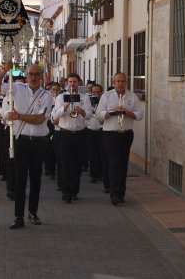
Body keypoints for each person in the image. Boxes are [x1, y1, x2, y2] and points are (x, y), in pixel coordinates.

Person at [0, 63, 53, 229]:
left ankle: (32, 212)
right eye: (31, 74)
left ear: (41, 76)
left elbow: (40, 119)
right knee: (20, 179)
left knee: (36, 179)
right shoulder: (16, 88)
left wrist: (18, 116)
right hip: (21, 140)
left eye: (37, 74)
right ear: (26, 76)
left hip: (39, 142)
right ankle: (18, 216)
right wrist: (5, 71)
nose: (33, 77)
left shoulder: (47, 95)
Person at [95, 72, 144, 205]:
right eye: (118, 81)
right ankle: (114, 193)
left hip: (126, 134)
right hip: (110, 134)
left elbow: (140, 115)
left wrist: (127, 112)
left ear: (126, 82)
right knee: (114, 163)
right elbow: (98, 115)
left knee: (123, 164)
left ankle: (121, 192)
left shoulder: (132, 96)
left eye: (123, 81)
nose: (121, 83)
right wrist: (113, 112)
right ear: (113, 83)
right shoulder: (106, 97)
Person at [51, 73, 92, 203]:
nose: (72, 84)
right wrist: (66, 105)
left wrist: (82, 112)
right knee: (65, 163)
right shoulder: (61, 97)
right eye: (70, 82)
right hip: (64, 134)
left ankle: (74, 190)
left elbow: (89, 115)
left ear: (78, 83)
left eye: (75, 82)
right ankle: (66, 190)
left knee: (77, 164)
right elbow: (55, 115)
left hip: (80, 134)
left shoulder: (84, 97)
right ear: (67, 83)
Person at [86, 84, 104, 184]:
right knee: (92, 154)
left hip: (101, 130)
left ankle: (101, 173)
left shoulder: (104, 102)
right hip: (90, 130)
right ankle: (94, 175)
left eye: (98, 92)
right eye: (94, 92)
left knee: (102, 153)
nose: (96, 94)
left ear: (101, 92)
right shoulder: (87, 102)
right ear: (91, 92)